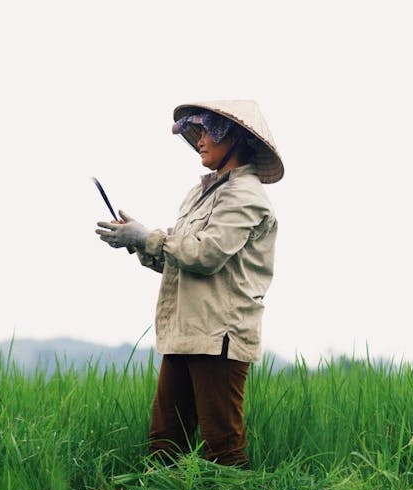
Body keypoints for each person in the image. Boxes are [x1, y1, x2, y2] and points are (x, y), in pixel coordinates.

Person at [95, 100, 282, 467]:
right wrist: (137, 241)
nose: (200, 140)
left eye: (209, 131)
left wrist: (148, 237)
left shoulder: (247, 196)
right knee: (164, 439)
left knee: (222, 445)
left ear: (237, 139)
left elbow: (205, 255)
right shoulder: (197, 195)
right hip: (186, 330)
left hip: (219, 336)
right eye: (197, 132)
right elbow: (179, 258)